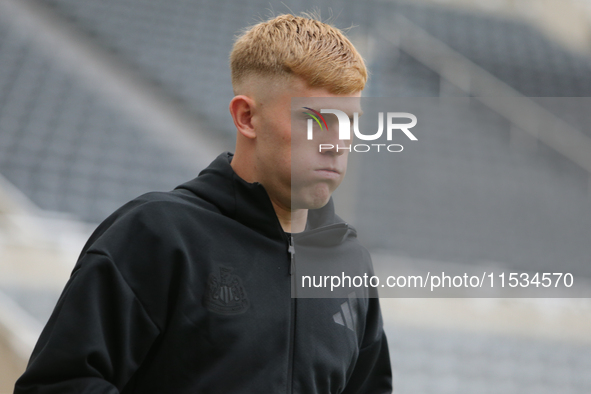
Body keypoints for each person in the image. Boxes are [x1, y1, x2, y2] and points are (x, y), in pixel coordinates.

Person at [14, 14, 392, 393]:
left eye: (348, 122)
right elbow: (57, 385)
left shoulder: (350, 263)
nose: (337, 142)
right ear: (247, 117)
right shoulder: (156, 234)